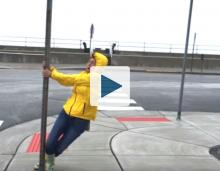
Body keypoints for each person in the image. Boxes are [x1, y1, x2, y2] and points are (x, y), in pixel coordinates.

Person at [34, 52, 108, 171]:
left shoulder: (97, 78)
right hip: (66, 113)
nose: (89, 64)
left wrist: (52, 73)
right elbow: (66, 81)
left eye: (93, 63)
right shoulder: (83, 75)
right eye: (89, 61)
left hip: (81, 120)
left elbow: (69, 79)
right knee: (49, 144)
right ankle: (46, 161)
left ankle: (49, 161)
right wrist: (51, 69)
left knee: (59, 148)